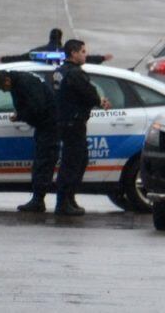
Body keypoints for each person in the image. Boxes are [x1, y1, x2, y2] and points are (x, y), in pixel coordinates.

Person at [52, 39, 111, 216]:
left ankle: (69, 199)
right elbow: (89, 93)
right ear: (73, 53)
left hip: (66, 122)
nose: (85, 55)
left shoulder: (59, 71)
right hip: (74, 123)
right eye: (83, 52)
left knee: (76, 161)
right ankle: (64, 202)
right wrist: (100, 101)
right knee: (73, 163)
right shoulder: (75, 74)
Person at [0, 70, 59, 213]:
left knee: (43, 162)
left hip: (49, 126)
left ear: (7, 81)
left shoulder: (24, 83)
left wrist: (20, 115)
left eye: (1, 88)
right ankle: (38, 199)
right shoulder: (20, 81)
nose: (3, 91)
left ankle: (38, 201)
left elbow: (37, 107)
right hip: (45, 126)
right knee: (41, 162)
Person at [0, 28, 114, 64]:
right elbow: (88, 59)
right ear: (61, 38)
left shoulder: (38, 53)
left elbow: (20, 58)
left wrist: (3, 59)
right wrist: (103, 58)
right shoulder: (67, 53)